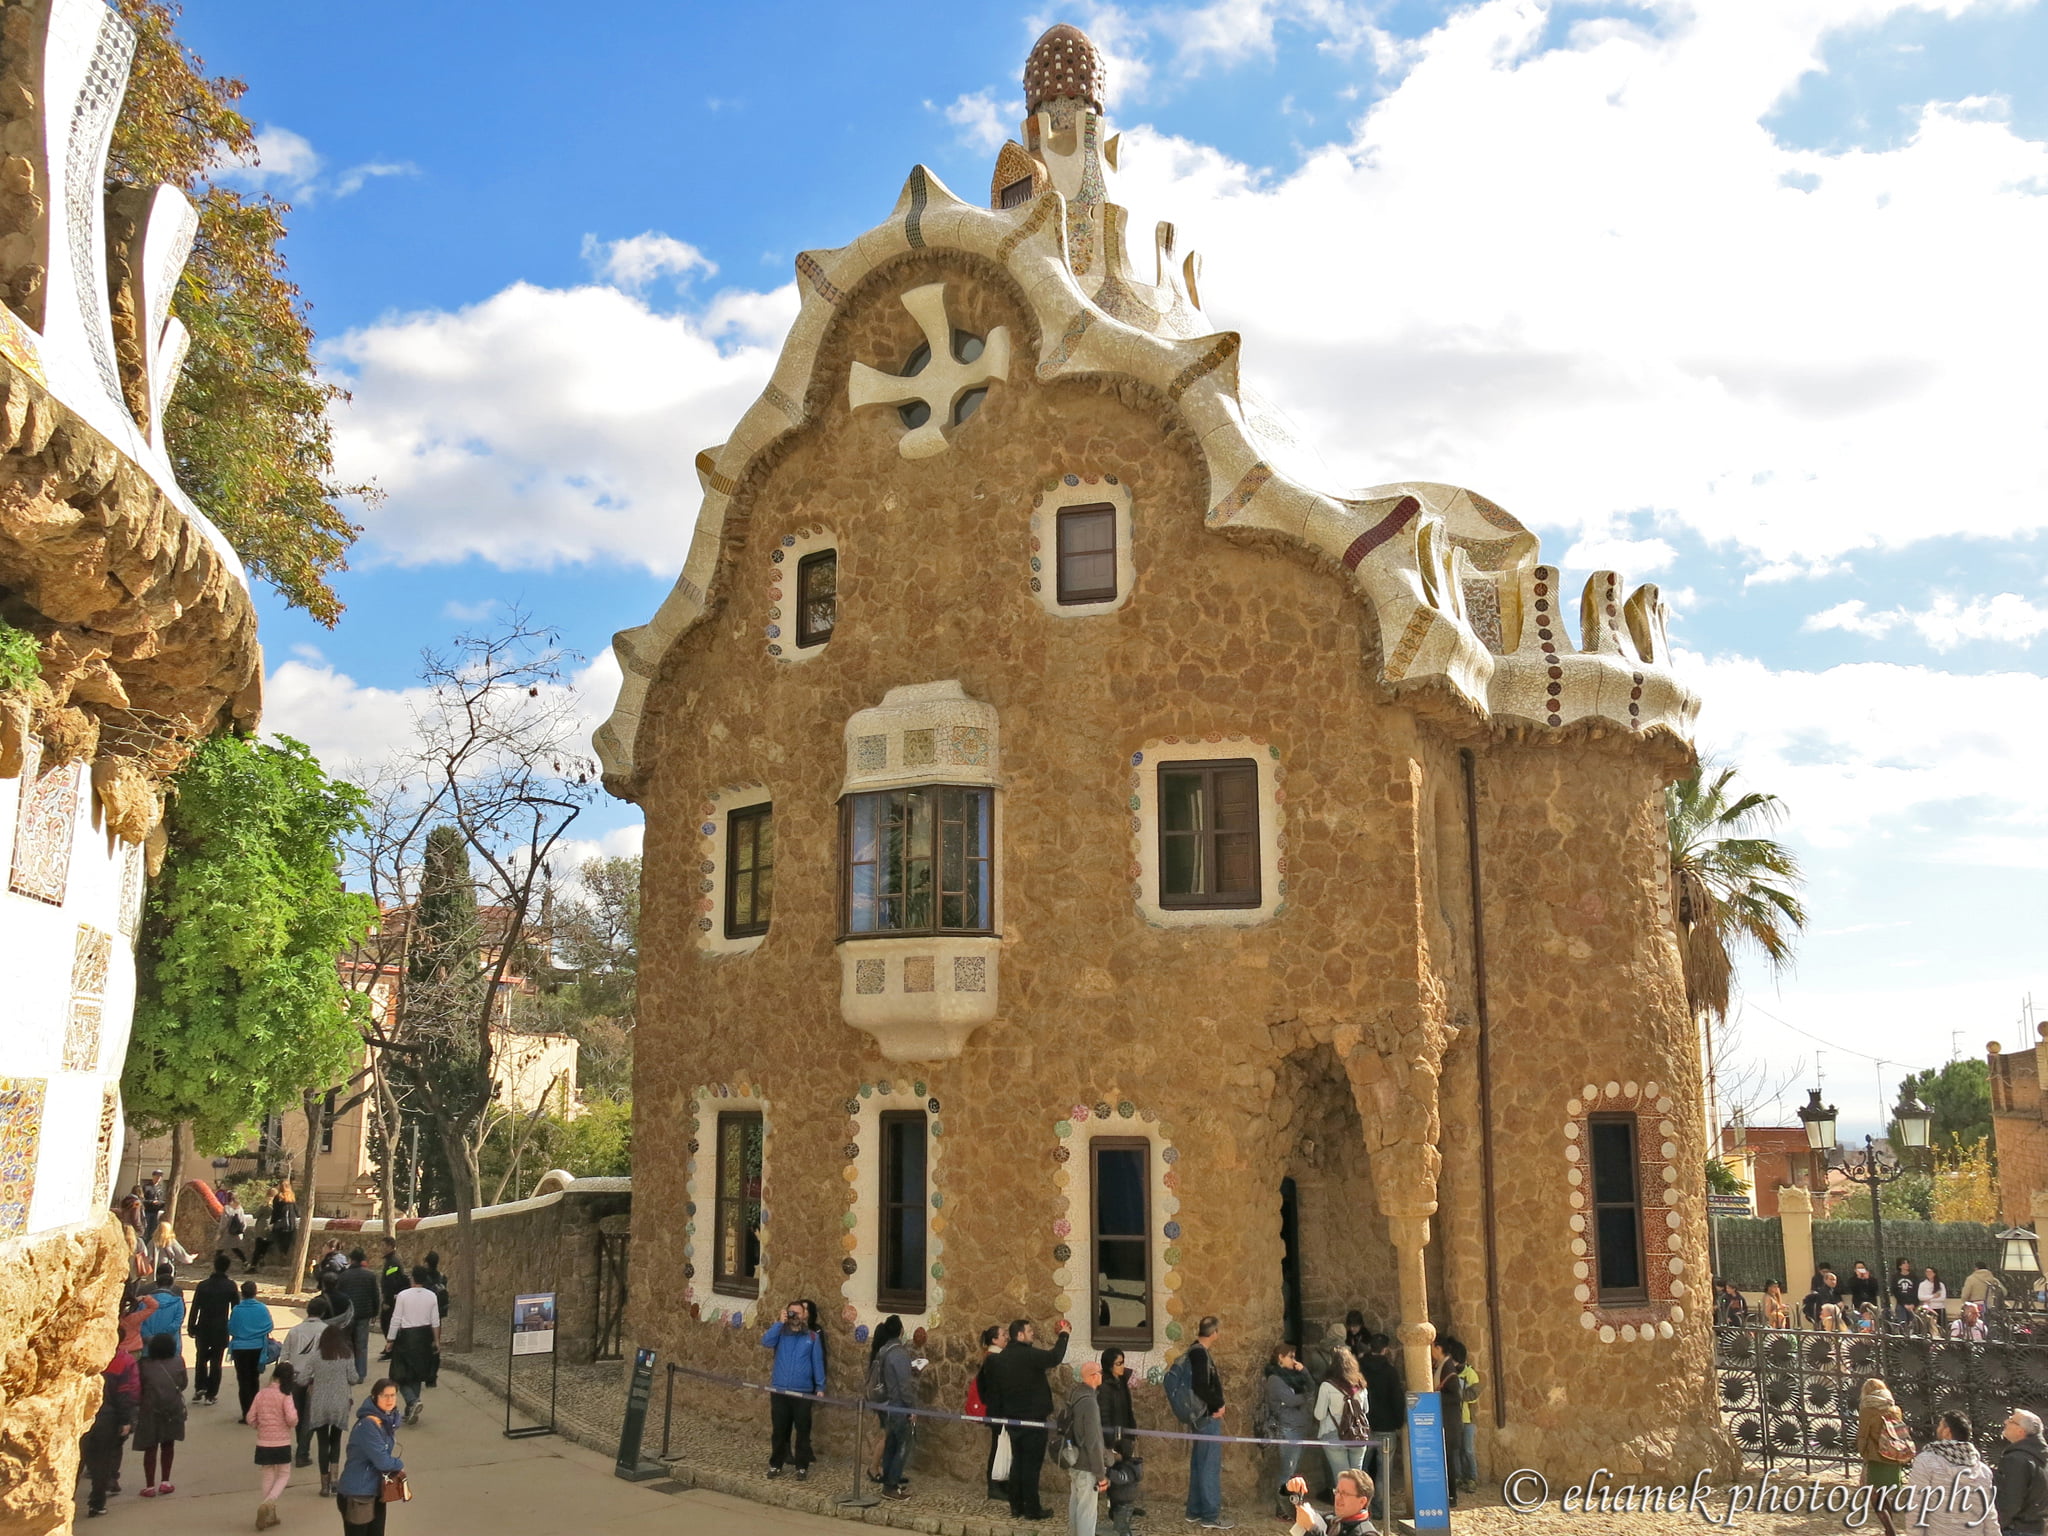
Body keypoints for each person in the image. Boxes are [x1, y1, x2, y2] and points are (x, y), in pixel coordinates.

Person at [986, 1315, 1072, 1521]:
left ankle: (1016, 1506)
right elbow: (1054, 1357)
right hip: (1033, 1419)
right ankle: (1032, 1509)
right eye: (1030, 1332)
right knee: (1031, 1466)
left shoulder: (1002, 1358)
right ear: (1020, 1334)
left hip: (1013, 1419)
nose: (1033, 1334)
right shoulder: (1028, 1355)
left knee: (1018, 1463)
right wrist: (1064, 1336)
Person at [761, 1297, 825, 1481]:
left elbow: (817, 1362)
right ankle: (776, 1464)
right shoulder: (780, 1333)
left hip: (802, 1391)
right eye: (791, 1313)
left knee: (803, 1430)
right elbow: (766, 1342)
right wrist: (778, 1323)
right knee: (780, 1430)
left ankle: (802, 1466)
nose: (794, 1316)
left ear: (804, 1315)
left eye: (798, 1313)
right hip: (780, 1390)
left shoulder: (812, 1337)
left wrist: (820, 1386)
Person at [285, 1294, 351, 1468]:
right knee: (310, 1417)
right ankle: (302, 1452)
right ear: (323, 1312)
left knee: (299, 1415)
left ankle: (301, 1446)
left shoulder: (294, 1331)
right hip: (318, 1379)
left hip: (295, 1377)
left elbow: (284, 1356)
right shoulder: (327, 1332)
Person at [1907, 1410, 1997, 1536]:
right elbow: (1989, 1514)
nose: (1937, 1429)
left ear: (1946, 1432)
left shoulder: (1926, 1461)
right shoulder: (1983, 1471)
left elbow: (1916, 1506)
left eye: (1940, 1425)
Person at [335, 1379, 405, 1534]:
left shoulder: (386, 1420)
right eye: (384, 1396)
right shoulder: (368, 1425)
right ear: (374, 1397)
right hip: (358, 1494)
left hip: (376, 1491)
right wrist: (398, 1464)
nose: (389, 1400)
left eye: (393, 1395)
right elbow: (383, 1462)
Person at [307, 1314, 362, 1498]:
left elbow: (301, 1378)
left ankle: (323, 1484)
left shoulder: (316, 1356)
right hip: (340, 1402)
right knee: (336, 1441)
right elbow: (354, 1378)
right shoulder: (346, 1356)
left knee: (322, 1443)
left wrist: (313, 1382)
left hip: (320, 1403)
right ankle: (335, 1481)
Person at [81, 1342, 139, 1517]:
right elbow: (124, 1394)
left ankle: (65, 1499)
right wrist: (125, 1420)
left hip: (83, 1416)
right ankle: (97, 1503)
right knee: (102, 1462)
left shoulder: (84, 1358)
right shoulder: (121, 1361)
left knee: (78, 1461)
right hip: (107, 1419)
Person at [1184, 1315, 1231, 1530]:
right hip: (1207, 1417)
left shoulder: (1194, 1351)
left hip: (1199, 1416)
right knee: (1209, 1465)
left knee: (1199, 1463)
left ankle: (1194, 1510)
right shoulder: (1200, 1354)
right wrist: (1217, 1405)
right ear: (1214, 1333)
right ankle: (1210, 1515)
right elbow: (1201, 1386)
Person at [866, 1315, 917, 1500]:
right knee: (903, 1445)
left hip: (886, 1404)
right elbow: (904, 1386)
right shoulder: (899, 1353)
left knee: (891, 1444)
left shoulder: (883, 1350)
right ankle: (891, 1485)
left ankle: (889, 1476)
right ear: (901, 1331)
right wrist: (912, 1409)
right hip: (898, 1406)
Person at [386, 1265, 442, 1426]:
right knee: (417, 1373)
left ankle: (412, 1401)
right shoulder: (432, 1296)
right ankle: (411, 1408)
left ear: (412, 1278)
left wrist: (390, 1339)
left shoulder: (403, 1295)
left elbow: (396, 1318)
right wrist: (436, 1340)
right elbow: (435, 1320)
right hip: (424, 1336)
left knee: (398, 1374)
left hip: (406, 1337)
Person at [135, 1331, 188, 1497]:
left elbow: (139, 1387)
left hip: (150, 1408)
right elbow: (183, 1384)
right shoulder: (179, 1361)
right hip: (172, 1407)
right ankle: (165, 1481)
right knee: (168, 1444)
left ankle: (149, 1485)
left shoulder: (144, 1365)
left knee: (150, 1447)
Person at [1265, 1343, 1315, 1516]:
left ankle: (1291, 1505)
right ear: (1280, 1357)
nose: (1294, 1361)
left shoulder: (1294, 1376)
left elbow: (1311, 1388)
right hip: (1288, 1428)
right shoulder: (1274, 1379)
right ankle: (1282, 1508)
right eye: (1291, 1357)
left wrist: (1304, 1371)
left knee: (1293, 1470)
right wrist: (1305, 1397)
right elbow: (1291, 1400)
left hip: (1299, 1426)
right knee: (1287, 1470)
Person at [1061, 1356, 1110, 1536]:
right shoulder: (1090, 1403)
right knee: (1087, 1513)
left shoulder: (1075, 1395)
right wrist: (1100, 1474)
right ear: (1092, 1376)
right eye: (1100, 1372)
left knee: (1076, 1505)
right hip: (1086, 1464)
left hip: (1073, 1459)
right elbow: (1093, 1441)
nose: (1102, 1375)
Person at [1856, 1377, 1910, 1536]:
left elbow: (1862, 1436)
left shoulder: (1867, 1409)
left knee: (1874, 1498)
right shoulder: (1893, 1408)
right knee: (1883, 1495)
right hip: (1893, 1456)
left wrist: (1864, 1454)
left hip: (1875, 1458)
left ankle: (1891, 1531)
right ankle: (1889, 1531)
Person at [1315, 1346, 1370, 1502]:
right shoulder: (1361, 1385)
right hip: (1358, 1437)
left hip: (1334, 1435)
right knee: (1357, 1479)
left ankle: (1346, 1513)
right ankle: (1360, 1510)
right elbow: (1365, 1410)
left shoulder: (1327, 1386)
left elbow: (1319, 1415)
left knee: (1342, 1479)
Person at [250, 1361, 299, 1528]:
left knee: (267, 1473)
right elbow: (292, 1419)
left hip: (263, 1441)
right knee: (284, 1474)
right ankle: (269, 1503)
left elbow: (250, 1417)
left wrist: (260, 1425)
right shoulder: (286, 1396)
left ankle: (269, 1512)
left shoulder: (261, 1394)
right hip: (282, 1441)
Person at [1358, 1336, 1403, 1520]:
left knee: (1362, 1467)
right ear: (1385, 1350)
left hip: (1365, 1425)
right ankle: (1379, 1509)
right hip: (1386, 1426)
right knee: (1384, 1470)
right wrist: (1399, 1422)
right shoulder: (1390, 1372)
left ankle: (1361, 1505)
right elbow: (1397, 1399)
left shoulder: (1360, 1369)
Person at [188, 1252, 238, 1405]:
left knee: (201, 1358)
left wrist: (191, 1326)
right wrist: (234, 1329)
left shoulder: (203, 1285)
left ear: (214, 1266)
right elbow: (236, 1309)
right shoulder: (230, 1286)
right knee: (216, 1362)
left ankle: (199, 1387)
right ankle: (211, 1394)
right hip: (221, 1327)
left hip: (203, 1326)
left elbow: (195, 1307)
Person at [229, 1279, 276, 1420]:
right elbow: (269, 1326)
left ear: (242, 1294)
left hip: (240, 1348)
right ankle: (255, 1411)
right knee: (254, 1379)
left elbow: (232, 1328)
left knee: (243, 1381)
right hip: (257, 1348)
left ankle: (246, 1413)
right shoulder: (262, 1308)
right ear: (255, 1293)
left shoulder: (237, 1310)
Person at [334, 1249, 383, 1381]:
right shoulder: (370, 1276)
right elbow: (375, 1296)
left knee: (347, 1344)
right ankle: (360, 1373)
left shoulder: (344, 1276)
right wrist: (375, 1312)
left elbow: (339, 1296)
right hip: (364, 1314)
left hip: (348, 1314)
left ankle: (348, 1372)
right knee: (361, 1345)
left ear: (351, 1259)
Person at [1284, 1470, 1378, 1536]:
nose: (1338, 1497)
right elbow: (1294, 1512)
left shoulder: (1367, 1533)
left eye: (1344, 1493)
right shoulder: (1332, 1519)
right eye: (1337, 1491)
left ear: (1362, 1501)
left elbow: (1312, 1527)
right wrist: (1289, 1490)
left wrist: (1313, 1529)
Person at [2001, 1408, 2048, 1536]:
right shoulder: (2042, 1457)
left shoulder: (2016, 1459)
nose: (2005, 1421)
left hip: (2016, 1530)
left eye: (2011, 1420)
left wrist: (1996, 1527)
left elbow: (2010, 1502)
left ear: (2020, 1431)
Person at [973, 1325, 1005, 1500]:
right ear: (994, 1340)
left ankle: (998, 1483)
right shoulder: (993, 1359)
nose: (1005, 1338)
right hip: (997, 1410)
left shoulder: (992, 1358)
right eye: (1002, 1335)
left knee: (999, 1446)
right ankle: (994, 1485)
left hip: (995, 1408)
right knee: (997, 1447)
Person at [248, 1182, 299, 1273]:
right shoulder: (292, 1198)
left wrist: (273, 1223)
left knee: (267, 1242)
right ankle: (284, 1254)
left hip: (278, 1225)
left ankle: (257, 1262)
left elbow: (275, 1213)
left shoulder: (276, 1199)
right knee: (286, 1240)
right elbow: (297, 1212)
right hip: (291, 1225)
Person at [137, 1264, 185, 1354]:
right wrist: (164, 1337)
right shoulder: (178, 1300)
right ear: (171, 1284)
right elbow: (178, 1321)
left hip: (148, 1345)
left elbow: (139, 1321)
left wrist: (149, 1336)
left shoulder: (144, 1298)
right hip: (171, 1344)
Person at [376, 1238, 407, 1339]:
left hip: (392, 1300)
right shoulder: (390, 1261)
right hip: (393, 1298)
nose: (381, 1248)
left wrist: (388, 1301)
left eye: (383, 1246)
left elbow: (391, 1282)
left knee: (387, 1323)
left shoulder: (392, 1262)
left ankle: (392, 1348)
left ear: (390, 1247)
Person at [217, 1191, 251, 1266]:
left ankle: (216, 1266)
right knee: (235, 1248)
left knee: (220, 1248)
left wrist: (220, 1233)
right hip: (236, 1233)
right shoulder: (240, 1208)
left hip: (227, 1233)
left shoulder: (227, 1208)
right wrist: (242, 1231)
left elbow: (224, 1223)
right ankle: (245, 1262)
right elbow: (243, 1221)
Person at [421, 1252, 451, 1319]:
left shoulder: (422, 1277)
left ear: (427, 1263)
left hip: (426, 1311)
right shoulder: (443, 1277)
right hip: (438, 1310)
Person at [1891, 1258, 1921, 1325]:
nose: (1906, 1265)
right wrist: (1904, 1304)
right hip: (1901, 1304)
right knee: (1902, 1323)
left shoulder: (1914, 1277)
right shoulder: (1895, 1277)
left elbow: (1916, 1290)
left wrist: (1913, 1304)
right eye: (1904, 1263)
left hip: (1912, 1304)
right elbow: (1895, 1291)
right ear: (1900, 1266)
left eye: (1907, 1263)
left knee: (1913, 1324)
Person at [142, 1171, 166, 1240]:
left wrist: (160, 1203)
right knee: (146, 1230)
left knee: (153, 1231)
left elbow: (162, 1199)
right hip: (148, 1211)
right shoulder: (147, 1187)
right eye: (157, 1176)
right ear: (153, 1176)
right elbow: (142, 1200)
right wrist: (152, 1202)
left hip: (157, 1212)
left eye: (160, 1177)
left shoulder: (160, 1188)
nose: (158, 1178)